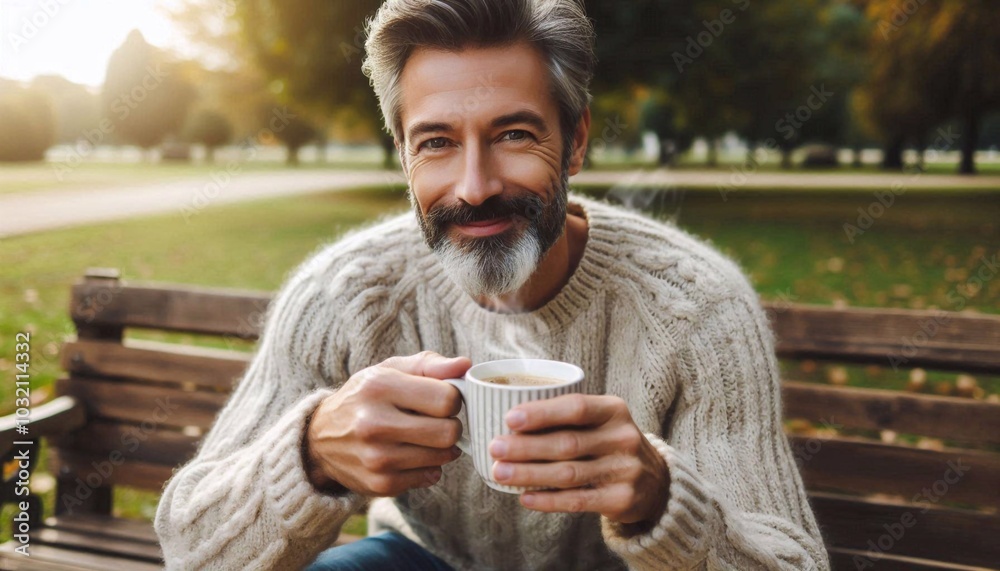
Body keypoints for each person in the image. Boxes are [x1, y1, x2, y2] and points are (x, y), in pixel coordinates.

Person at [154, 1, 830, 569]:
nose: (474, 186)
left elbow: (791, 558)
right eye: (437, 142)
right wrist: (308, 455)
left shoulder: (697, 306)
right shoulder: (344, 296)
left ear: (576, 141)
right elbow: (191, 544)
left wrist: (661, 500)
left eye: (512, 134)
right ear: (403, 156)